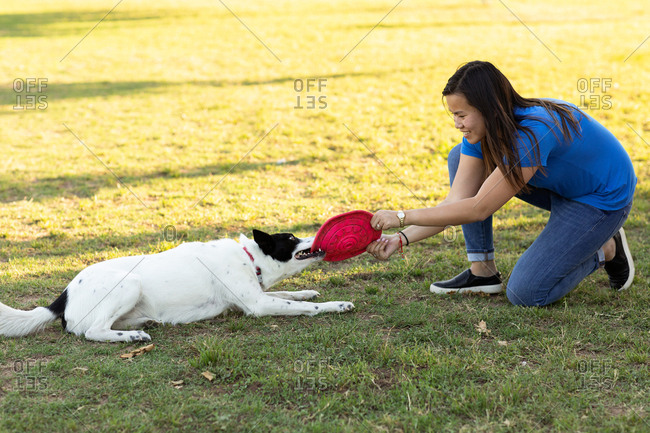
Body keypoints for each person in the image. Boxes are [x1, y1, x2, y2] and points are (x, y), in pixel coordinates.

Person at [366, 60, 636, 307]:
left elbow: (478, 208)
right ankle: (482, 271)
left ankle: (606, 248)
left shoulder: (534, 132)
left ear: (489, 108)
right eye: (454, 115)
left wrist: (400, 217)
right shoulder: (485, 131)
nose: (457, 124)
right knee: (459, 155)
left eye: (462, 115)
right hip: (560, 185)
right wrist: (400, 239)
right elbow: (457, 203)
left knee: (525, 294)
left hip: (600, 200)